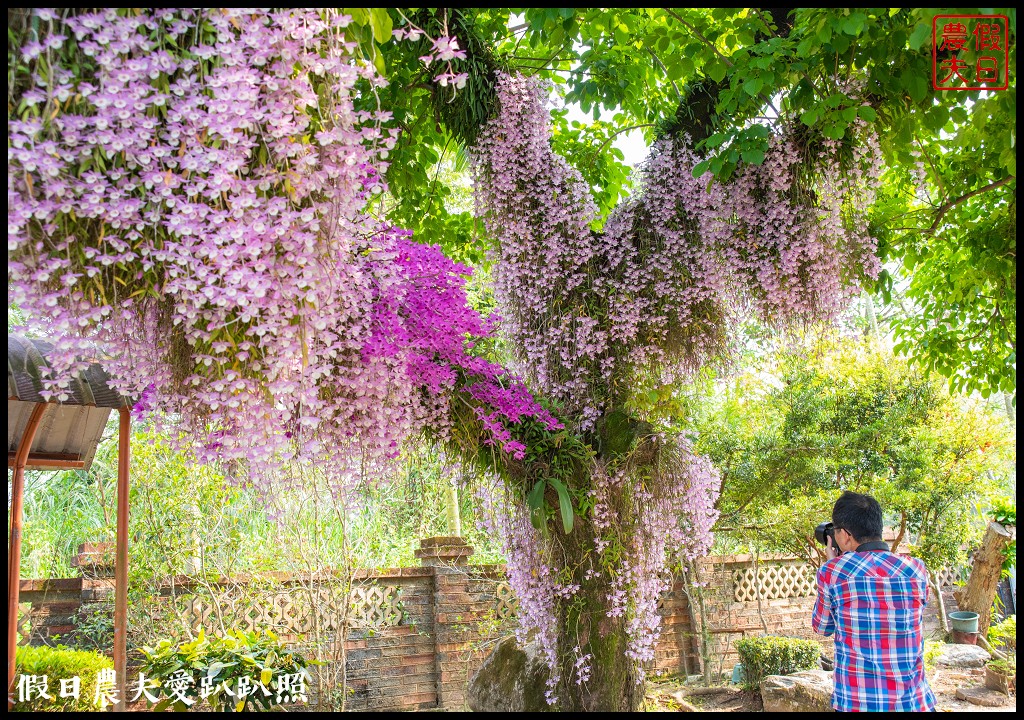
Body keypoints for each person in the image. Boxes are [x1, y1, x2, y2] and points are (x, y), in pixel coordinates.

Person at [811, 491, 937, 712]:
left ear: (846, 535)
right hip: (914, 702)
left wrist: (834, 564)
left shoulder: (832, 572)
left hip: (857, 702)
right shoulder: (916, 569)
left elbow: (822, 627)